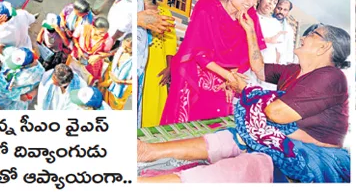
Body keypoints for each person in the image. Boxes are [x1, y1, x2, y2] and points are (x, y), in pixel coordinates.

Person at [139, 24, 350, 183]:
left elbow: (278, 113)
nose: (304, 37)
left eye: (312, 34)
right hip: (283, 138)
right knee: (231, 136)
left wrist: (245, 91)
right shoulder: (293, 71)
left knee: (254, 163)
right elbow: (258, 68)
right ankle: (151, 151)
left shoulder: (331, 77)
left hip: (314, 155)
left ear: (324, 47)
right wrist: (249, 30)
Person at [161, 0, 267, 125]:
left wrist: (250, 31)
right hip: (196, 78)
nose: (251, 2)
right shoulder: (208, 7)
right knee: (187, 128)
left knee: (214, 132)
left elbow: (256, 65)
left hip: (225, 83)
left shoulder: (250, 16)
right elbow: (198, 52)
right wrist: (229, 77)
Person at [138, 0, 177, 127]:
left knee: (154, 102)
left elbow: (170, 40)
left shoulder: (163, 11)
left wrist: (169, 67)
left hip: (156, 63)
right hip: (139, 60)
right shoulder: (135, 8)